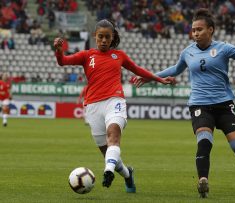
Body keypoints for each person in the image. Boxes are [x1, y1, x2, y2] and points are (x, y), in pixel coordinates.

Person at [132, 8, 235, 198]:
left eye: (199, 30)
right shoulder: (188, 52)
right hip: (199, 105)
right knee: (204, 142)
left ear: (210, 30)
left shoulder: (224, 48)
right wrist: (150, 77)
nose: (195, 33)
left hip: (224, 104)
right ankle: (203, 180)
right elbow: (175, 70)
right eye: (193, 30)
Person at [53, 19, 175, 193]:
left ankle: (107, 171)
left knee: (113, 137)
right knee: (109, 153)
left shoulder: (119, 55)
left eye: (107, 37)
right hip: (93, 107)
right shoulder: (86, 56)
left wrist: (159, 79)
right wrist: (58, 51)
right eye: (100, 36)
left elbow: (137, 69)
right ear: (95, 36)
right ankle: (127, 174)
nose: (104, 40)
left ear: (112, 38)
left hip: (115, 101)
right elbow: (63, 61)